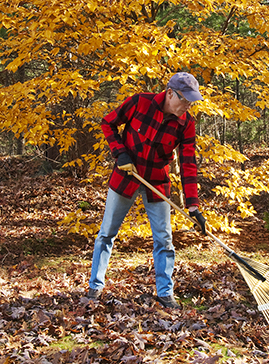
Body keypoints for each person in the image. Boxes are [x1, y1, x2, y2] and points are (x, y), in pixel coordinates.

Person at [86, 72, 208, 309]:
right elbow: (107, 123)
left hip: (157, 182)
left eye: (191, 101)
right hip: (126, 177)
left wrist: (193, 206)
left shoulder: (186, 123)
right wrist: (120, 152)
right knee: (107, 233)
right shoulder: (139, 102)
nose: (187, 106)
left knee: (164, 238)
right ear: (170, 93)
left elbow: (188, 163)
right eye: (184, 100)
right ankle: (95, 286)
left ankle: (165, 292)